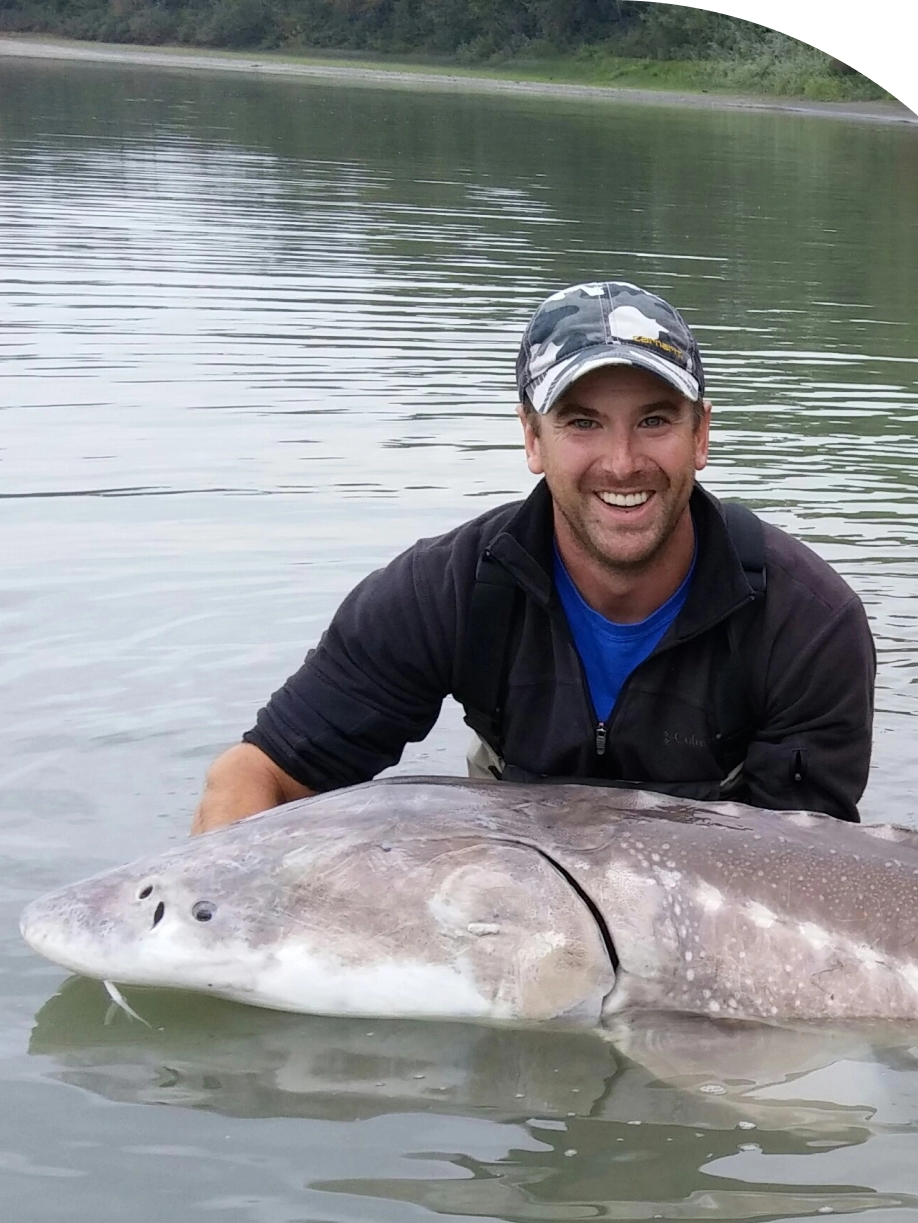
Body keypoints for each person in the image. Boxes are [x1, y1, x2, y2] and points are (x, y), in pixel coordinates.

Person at [192, 281, 875, 835]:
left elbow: (805, 874)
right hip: (510, 881)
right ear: (532, 437)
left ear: (701, 435)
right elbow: (255, 774)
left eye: (655, 420)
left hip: (715, 899)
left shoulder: (808, 625)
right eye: (582, 422)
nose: (622, 462)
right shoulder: (443, 592)